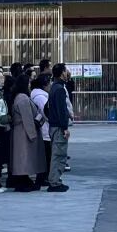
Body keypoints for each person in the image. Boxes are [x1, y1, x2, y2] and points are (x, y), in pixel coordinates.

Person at [9, 73, 45, 192]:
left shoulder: (20, 97)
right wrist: (32, 134)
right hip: (23, 132)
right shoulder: (23, 98)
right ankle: (22, 181)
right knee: (24, 157)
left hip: (21, 131)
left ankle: (23, 180)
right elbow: (28, 118)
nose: (30, 85)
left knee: (21, 157)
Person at [46, 63, 71, 192]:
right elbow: (62, 110)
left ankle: (54, 180)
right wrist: (64, 127)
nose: (68, 73)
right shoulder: (60, 89)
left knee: (56, 153)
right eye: (66, 71)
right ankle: (55, 182)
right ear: (62, 73)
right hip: (58, 127)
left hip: (53, 125)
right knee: (59, 154)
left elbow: (46, 108)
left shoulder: (53, 87)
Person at [30, 73, 51, 190]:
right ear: (44, 85)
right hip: (44, 130)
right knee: (46, 156)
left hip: (44, 129)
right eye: (49, 83)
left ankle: (43, 177)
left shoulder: (39, 95)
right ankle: (42, 178)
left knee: (46, 155)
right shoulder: (40, 97)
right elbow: (46, 112)